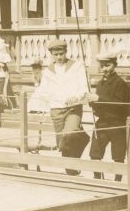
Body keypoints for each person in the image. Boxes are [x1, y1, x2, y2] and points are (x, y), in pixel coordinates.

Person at [35, 39, 91, 175]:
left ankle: (71, 166)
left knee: (70, 134)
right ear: (51, 55)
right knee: (62, 143)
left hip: (73, 108)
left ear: (66, 52)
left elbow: (84, 86)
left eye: (61, 53)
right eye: (55, 54)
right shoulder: (48, 71)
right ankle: (71, 167)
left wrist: (76, 97)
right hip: (56, 109)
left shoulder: (77, 66)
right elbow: (43, 91)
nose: (59, 57)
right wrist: (44, 99)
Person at [89, 50, 130, 181]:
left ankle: (117, 181)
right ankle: (97, 179)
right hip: (102, 121)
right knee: (95, 152)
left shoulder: (120, 83)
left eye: (107, 65)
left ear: (114, 65)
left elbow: (120, 104)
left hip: (117, 123)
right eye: (102, 66)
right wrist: (92, 103)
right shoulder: (100, 83)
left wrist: (99, 98)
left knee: (118, 155)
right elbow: (98, 105)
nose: (104, 69)